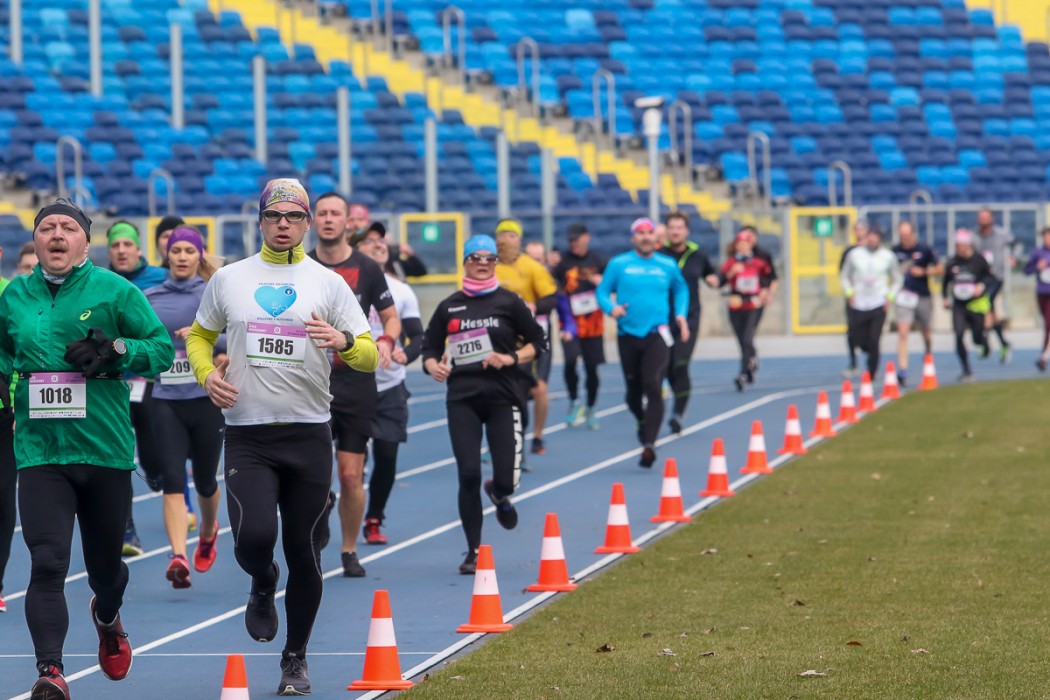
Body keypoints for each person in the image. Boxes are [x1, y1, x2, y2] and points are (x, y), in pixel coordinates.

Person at [186, 179, 377, 695]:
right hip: (247, 434)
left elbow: (369, 354)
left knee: (304, 551)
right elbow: (200, 336)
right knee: (252, 539)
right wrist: (205, 376)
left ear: (308, 222)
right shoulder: (230, 278)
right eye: (274, 216)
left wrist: (342, 340)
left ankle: (295, 657)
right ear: (261, 221)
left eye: (294, 216)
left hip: (308, 433)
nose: (284, 224)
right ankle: (262, 580)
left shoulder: (327, 283)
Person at [0, 198, 174, 699]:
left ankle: (108, 615)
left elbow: (161, 350)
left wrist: (115, 349)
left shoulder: (115, 290)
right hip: (40, 453)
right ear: (35, 240)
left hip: (103, 450)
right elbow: (3, 355)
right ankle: (50, 672)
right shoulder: (14, 296)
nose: (57, 234)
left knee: (105, 571)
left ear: (85, 242)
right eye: (47, 227)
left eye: (68, 228)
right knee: (47, 562)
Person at [421, 235, 546, 574]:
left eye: (488, 258)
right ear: (465, 262)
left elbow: (539, 341)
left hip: (503, 397)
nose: (481, 263)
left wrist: (510, 358)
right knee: (468, 474)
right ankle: (473, 551)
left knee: (506, 480)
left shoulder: (509, 302)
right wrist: (433, 366)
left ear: (495, 263)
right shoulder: (449, 306)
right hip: (462, 399)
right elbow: (429, 347)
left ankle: (499, 494)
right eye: (475, 257)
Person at [308, 192, 401, 578]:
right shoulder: (302, 266)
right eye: (322, 213)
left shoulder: (367, 268)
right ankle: (319, 513)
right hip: (311, 382)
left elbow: (390, 317)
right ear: (312, 221)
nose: (329, 219)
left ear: (348, 222)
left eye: (336, 214)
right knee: (313, 476)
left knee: (350, 475)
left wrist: (386, 341)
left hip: (356, 383)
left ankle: (349, 549)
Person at [145, 227, 225, 589]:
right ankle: (178, 555)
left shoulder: (213, 292)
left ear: (199, 256)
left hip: (206, 397)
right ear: (167, 255)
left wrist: (201, 335)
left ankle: (207, 531)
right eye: (175, 250)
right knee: (173, 480)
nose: (181, 256)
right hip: (166, 400)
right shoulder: (150, 296)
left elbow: (237, 334)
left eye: (188, 251)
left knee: (206, 480)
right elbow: (140, 338)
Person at [349, 225, 424, 545]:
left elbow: (418, 336)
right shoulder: (341, 285)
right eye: (369, 241)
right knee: (347, 464)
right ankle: (327, 505)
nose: (378, 245)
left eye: (381, 241)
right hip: (349, 385)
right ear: (354, 249)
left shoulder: (401, 290)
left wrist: (405, 354)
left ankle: (374, 517)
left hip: (390, 385)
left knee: (387, 454)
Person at [596, 217, 689, 468]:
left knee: (652, 383)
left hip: (657, 333)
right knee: (633, 393)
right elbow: (602, 291)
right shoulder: (619, 264)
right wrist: (611, 308)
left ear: (656, 238)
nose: (646, 237)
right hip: (628, 334)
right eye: (640, 233)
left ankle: (650, 444)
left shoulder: (667, 265)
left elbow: (681, 290)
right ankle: (641, 420)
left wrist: (680, 314)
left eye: (649, 233)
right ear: (633, 238)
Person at [107, 220, 167, 557]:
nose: (121, 250)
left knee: (153, 456)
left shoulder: (160, 278)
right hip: (112, 384)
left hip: (149, 382)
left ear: (138, 248)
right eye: (115, 245)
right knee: (120, 459)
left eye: (127, 244)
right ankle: (127, 529)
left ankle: (157, 471)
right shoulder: (100, 282)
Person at [494, 219, 558, 456]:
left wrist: (534, 306)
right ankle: (507, 440)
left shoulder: (531, 266)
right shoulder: (489, 267)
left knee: (539, 388)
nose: (506, 240)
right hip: (502, 338)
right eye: (502, 236)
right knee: (505, 391)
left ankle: (537, 436)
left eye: (511, 236)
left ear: (519, 240)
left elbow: (551, 299)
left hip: (532, 336)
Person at [658, 211, 718, 430]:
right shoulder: (658, 255)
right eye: (672, 228)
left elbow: (712, 273)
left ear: (686, 231)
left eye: (679, 228)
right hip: (661, 319)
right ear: (666, 231)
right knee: (664, 366)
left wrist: (714, 280)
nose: (675, 232)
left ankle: (678, 413)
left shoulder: (697, 255)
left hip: (689, 319)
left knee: (680, 364)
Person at [553, 223, 606, 430]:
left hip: (593, 324)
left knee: (591, 367)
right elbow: (553, 286)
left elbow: (612, 285)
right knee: (570, 361)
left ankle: (591, 407)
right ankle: (574, 401)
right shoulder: (563, 262)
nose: (573, 243)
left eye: (576, 239)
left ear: (587, 238)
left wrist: (602, 282)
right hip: (570, 323)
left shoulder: (598, 260)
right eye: (570, 240)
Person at [839, 226, 902, 380]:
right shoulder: (854, 254)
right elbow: (844, 275)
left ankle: (872, 371)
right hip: (859, 302)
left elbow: (898, 279)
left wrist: (890, 297)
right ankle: (865, 354)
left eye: (875, 238)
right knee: (859, 339)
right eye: (870, 237)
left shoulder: (888, 256)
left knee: (875, 338)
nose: (872, 240)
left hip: (878, 302)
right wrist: (849, 292)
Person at [715, 230, 774, 391]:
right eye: (739, 244)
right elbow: (720, 281)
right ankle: (751, 360)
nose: (742, 246)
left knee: (748, 338)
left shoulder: (759, 263)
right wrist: (732, 272)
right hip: (736, 304)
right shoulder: (731, 263)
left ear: (750, 245)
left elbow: (768, 278)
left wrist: (765, 292)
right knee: (742, 340)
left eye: (745, 243)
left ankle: (742, 373)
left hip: (753, 304)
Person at [891, 220, 939, 387]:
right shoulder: (894, 251)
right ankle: (903, 369)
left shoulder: (924, 249)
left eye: (907, 234)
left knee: (926, 332)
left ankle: (928, 352)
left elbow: (939, 268)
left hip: (923, 296)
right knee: (903, 332)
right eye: (901, 235)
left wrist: (924, 272)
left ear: (913, 234)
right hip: (903, 297)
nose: (904, 238)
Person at [942, 229, 993, 381]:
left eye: (961, 245)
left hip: (975, 304)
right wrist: (944, 297)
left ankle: (983, 341)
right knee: (958, 335)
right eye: (957, 245)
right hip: (959, 305)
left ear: (968, 245)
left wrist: (981, 287)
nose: (959, 248)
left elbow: (990, 277)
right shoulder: (952, 262)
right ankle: (966, 369)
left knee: (976, 337)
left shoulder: (979, 260)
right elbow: (945, 282)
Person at [973, 207, 1015, 363]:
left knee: (986, 304)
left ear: (992, 218)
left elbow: (1016, 244)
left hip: (996, 277)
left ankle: (984, 341)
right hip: (980, 278)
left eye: (986, 217)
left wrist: (1013, 256)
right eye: (981, 217)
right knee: (990, 311)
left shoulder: (1001, 234)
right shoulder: (973, 235)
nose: (983, 220)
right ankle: (1003, 342)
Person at [347, 204, 428, 277]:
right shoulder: (344, 256)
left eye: (381, 241)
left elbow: (420, 271)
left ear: (368, 221)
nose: (356, 224)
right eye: (369, 241)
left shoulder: (390, 252)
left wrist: (409, 254)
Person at [839, 221, 867, 377]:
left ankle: (870, 359)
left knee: (870, 331)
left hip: (871, 296)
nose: (859, 232)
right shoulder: (849, 252)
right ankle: (853, 361)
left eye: (862, 229)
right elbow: (843, 273)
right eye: (857, 230)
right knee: (852, 329)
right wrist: (849, 292)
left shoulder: (874, 251)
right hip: (854, 296)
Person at [1023, 227, 1050, 371]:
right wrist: (1037, 267)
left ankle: (1044, 357)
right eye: (1046, 237)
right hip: (1042, 293)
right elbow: (1027, 270)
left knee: (1049, 324)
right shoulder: (1037, 253)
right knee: (1047, 324)